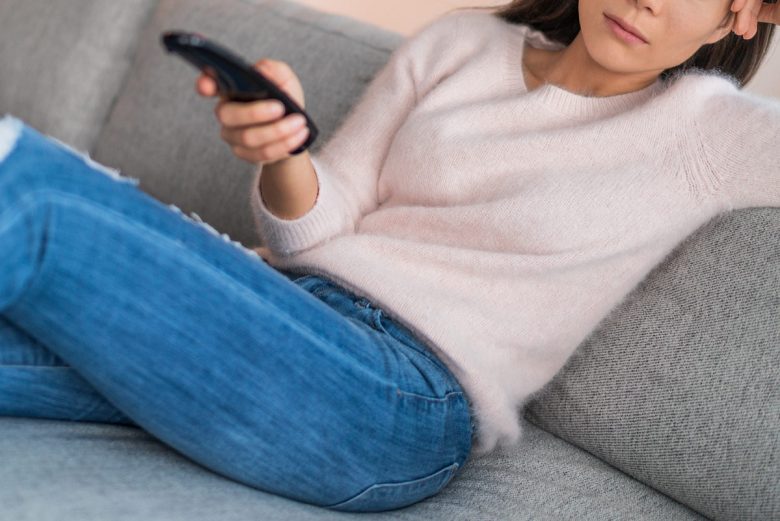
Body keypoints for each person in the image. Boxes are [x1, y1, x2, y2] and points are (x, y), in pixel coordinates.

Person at [0, 0, 777, 513]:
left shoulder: (709, 133)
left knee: (33, 200)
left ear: (734, 18)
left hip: (402, 400)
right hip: (295, 307)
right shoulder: (465, 43)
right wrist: (282, 152)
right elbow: (315, 228)